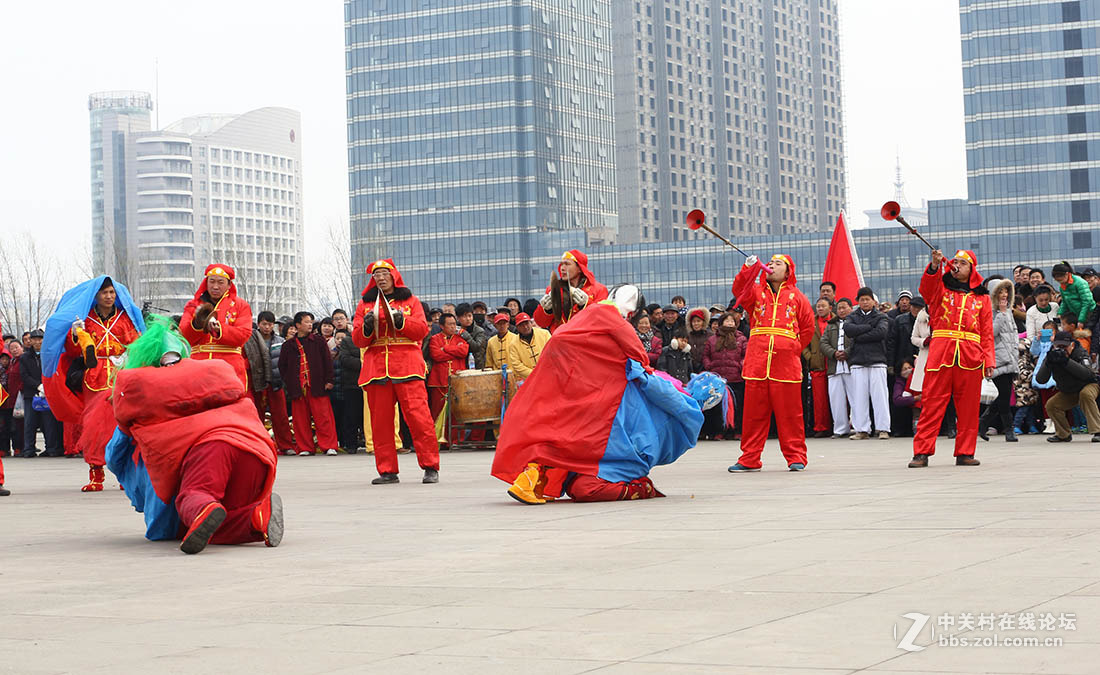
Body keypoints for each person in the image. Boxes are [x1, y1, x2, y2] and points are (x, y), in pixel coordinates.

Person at [493, 284, 703, 504]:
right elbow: (638, 354)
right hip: (582, 379)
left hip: (562, 369)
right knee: (568, 433)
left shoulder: (590, 313)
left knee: (554, 429)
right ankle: (535, 476)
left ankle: (532, 477)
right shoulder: (611, 316)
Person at [105, 317, 282, 554]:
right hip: (255, 450)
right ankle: (255, 517)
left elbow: (116, 453)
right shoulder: (210, 376)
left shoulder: (144, 393)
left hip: (210, 450)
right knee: (223, 517)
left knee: (195, 499)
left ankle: (204, 509)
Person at [40, 275, 144, 490]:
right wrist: (78, 339)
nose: (108, 296)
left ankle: (125, 474)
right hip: (93, 377)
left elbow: (135, 344)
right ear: (96, 295)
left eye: (112, 293)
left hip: (121, 376)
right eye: (104, 292)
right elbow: (70, 350)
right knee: (94, 426)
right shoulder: (84, 320)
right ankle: (96, 475)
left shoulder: (125, 319)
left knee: (124, 425)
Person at [352, 259, 440, 485]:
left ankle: (430, 466)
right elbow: (358, 339)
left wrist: (402, 320)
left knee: (419, 419)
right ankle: (387, 470)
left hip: (407, 365)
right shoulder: (364, 306)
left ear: (394, 276)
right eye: (376, 275)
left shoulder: (411, 301)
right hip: (376, 368)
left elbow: (421, 330)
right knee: (380, 424)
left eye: (384, 273)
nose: (380, 278)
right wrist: (368, 326)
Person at [727, 254, 814, 472]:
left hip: (786, 364)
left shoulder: (798, 297)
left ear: (788, 271)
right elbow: (739, 290)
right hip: (758, 361)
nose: (772, 266)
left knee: (791, 415)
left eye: (778, 264)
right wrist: (748, 268)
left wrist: (793, 348)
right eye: (771, 263)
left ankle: (796, 457)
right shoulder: (756, 292)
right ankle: (749, 458)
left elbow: (807, 328)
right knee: (753, 416)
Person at [909, 250, 993, 468]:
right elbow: (926, 289)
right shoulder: (941, 289)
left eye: (962, 263)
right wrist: (935, 266)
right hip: (941, 354)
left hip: (971, 356)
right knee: (931, 405)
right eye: (954, 262)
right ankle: (921, 452)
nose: (957, 266)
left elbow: (986, 331)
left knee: (969, 408)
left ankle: (965, 452)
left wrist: (989, 360)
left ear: (971, 268)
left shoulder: (982, 298)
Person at [180, 264, 253, 389]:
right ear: (206, 282)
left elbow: (243, 335)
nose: (215, 286)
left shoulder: (241, 305)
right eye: (211, 281)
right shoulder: (193, 305)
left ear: (229, 285)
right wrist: (197, 324)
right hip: (198, 366)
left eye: (220, 282)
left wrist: (219, 329)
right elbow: (183, 335)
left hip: (229, 367)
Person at [244, 311, 294, 455]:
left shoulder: (280, 341)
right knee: (257, 415)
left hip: (276, 382)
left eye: (270, 324)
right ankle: (257, 445)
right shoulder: (249, 340)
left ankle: (285, 445)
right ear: (258, 324)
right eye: (264, 324)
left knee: (281, 416)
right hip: (258, 382)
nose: (267, 327)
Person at [1035, 331, 1100, 443]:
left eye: (1064, 347)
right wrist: (1048, 363)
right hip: (1069, 390)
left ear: (1072, 345)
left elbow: (1087, 375)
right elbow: (1040, 379)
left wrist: (1066, 361)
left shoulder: (1080, 352)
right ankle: (1063, 434)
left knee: (1085, 394)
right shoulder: (1052, 355)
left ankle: (1098, 430)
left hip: (1089, 385)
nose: (1062, 349)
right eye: (1058, 346)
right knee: (1052, 405)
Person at [845, 287, 891, 440]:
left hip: (877, 360)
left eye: (867, 299)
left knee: (880, 397)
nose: (865, 302)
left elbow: (881, 333)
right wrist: (868, 328)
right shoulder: (852, 316)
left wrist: (859, 335)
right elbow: (849, 330)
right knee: (859, 397)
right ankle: (862, 429)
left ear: (873, 301)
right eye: (862, 299)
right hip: (858, 360)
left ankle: (883, 428)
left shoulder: (881, 316)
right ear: (858, 302)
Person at [977, 280, 1020, 442]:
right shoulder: (991, 311)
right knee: (1004, 395)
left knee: (1004, 395)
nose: (1004, 295)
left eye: (1006, 291)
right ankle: (1009, 430)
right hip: (998, 359)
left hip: (1010, 358)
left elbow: (1012, 334)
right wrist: (1001, 314)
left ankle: (983, 422)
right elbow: (990, 334)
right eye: (1001, 291)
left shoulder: (1008, 311)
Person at [533, 250, 609, 332]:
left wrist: (586, 304)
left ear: (580, 268)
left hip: (585, 340)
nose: (562, 268)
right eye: (561, 264)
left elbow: (604, 318)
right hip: (560, 340)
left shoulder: (599, 290)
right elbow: (541, 323)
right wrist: (546, 310)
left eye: (567, 264)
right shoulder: (553, 290)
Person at [18, 329, 64, 457]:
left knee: (48, 423)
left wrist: (46, 386)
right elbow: (24, 375)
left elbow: (53, 372)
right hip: (31, 394)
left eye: (40, 339)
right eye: (35, 339)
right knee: (30, 423)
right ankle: (29, 449)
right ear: (30, 341)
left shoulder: (49, 355)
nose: (37, 342)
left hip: (47, 393)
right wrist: (38, 386)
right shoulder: (24, 357)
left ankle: (51, 448)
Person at [703, 312, 747, 440]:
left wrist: (741, 366)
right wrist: (709, 366)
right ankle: (719, 431)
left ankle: (737, 430)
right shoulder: (712, 340)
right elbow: (706, 356)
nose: (729, 323)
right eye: (727, 321)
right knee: (717, 406)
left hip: (736, 378)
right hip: (718, 378)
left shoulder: (741, 339)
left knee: (737, 406)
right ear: (721, 323)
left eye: (732, 321)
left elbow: (746, 355)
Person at [426, 313, 470, 439]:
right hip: (439, 381)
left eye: (454, 324)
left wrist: (445, 348)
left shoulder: (460, 337)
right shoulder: (434, 338)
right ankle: (437, 438)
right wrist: (454, 350)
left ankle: (456, 439)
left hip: (457, 380)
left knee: (457, 412)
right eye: (450, 324)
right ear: (441, 326)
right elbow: (436, 355)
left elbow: (464, 352)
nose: (453, 327)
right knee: (437, 411)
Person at [802, 298, 833, 438]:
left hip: (834, 363)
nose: (820, 309)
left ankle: (837, 426)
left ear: (830, 308)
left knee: (836, 398)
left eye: (823, 306)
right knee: (819, 400)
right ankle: (821, 427)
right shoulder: (810, 322)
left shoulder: (836, 321)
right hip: (817, 365)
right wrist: (810, 356)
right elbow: (802, 341)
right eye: (818, 306)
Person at [507, 313, 551, 381]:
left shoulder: (545, 334)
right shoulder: (513, 344)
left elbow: (552, 353)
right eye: (521, 325)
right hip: (528, 379)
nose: (525, 327)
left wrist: (545, 370)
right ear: (517, 328)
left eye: (527, 323)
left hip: (548, 374)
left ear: (531, 323)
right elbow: (517, 365)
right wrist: (534, 374)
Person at [1053, 261, 1096, 327]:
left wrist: (1081, 320)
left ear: (1066, 274)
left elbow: (1087, 302)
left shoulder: (1080, 282)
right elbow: (1065, 302)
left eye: (1061, 280)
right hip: (1076, 314)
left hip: (1089, 314)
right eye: (1058, 281)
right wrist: (1060, 313)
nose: (1060, 283)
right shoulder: (1062, 286)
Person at [455, 303, 487, 369]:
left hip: (476, 366)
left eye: (470, 316)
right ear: (458, 318)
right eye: (464, 316)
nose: (468, 319)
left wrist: (465, 334)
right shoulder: (455, 331)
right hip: (459, 366)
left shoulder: (479, 331)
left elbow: (477, 347)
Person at [686, 308, 711, 373]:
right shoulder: (687, 336)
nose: (696, 323)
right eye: (694, 321)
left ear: (703, 322)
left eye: (698, 321)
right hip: (691, 369)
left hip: (706, 369)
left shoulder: (710, 336)